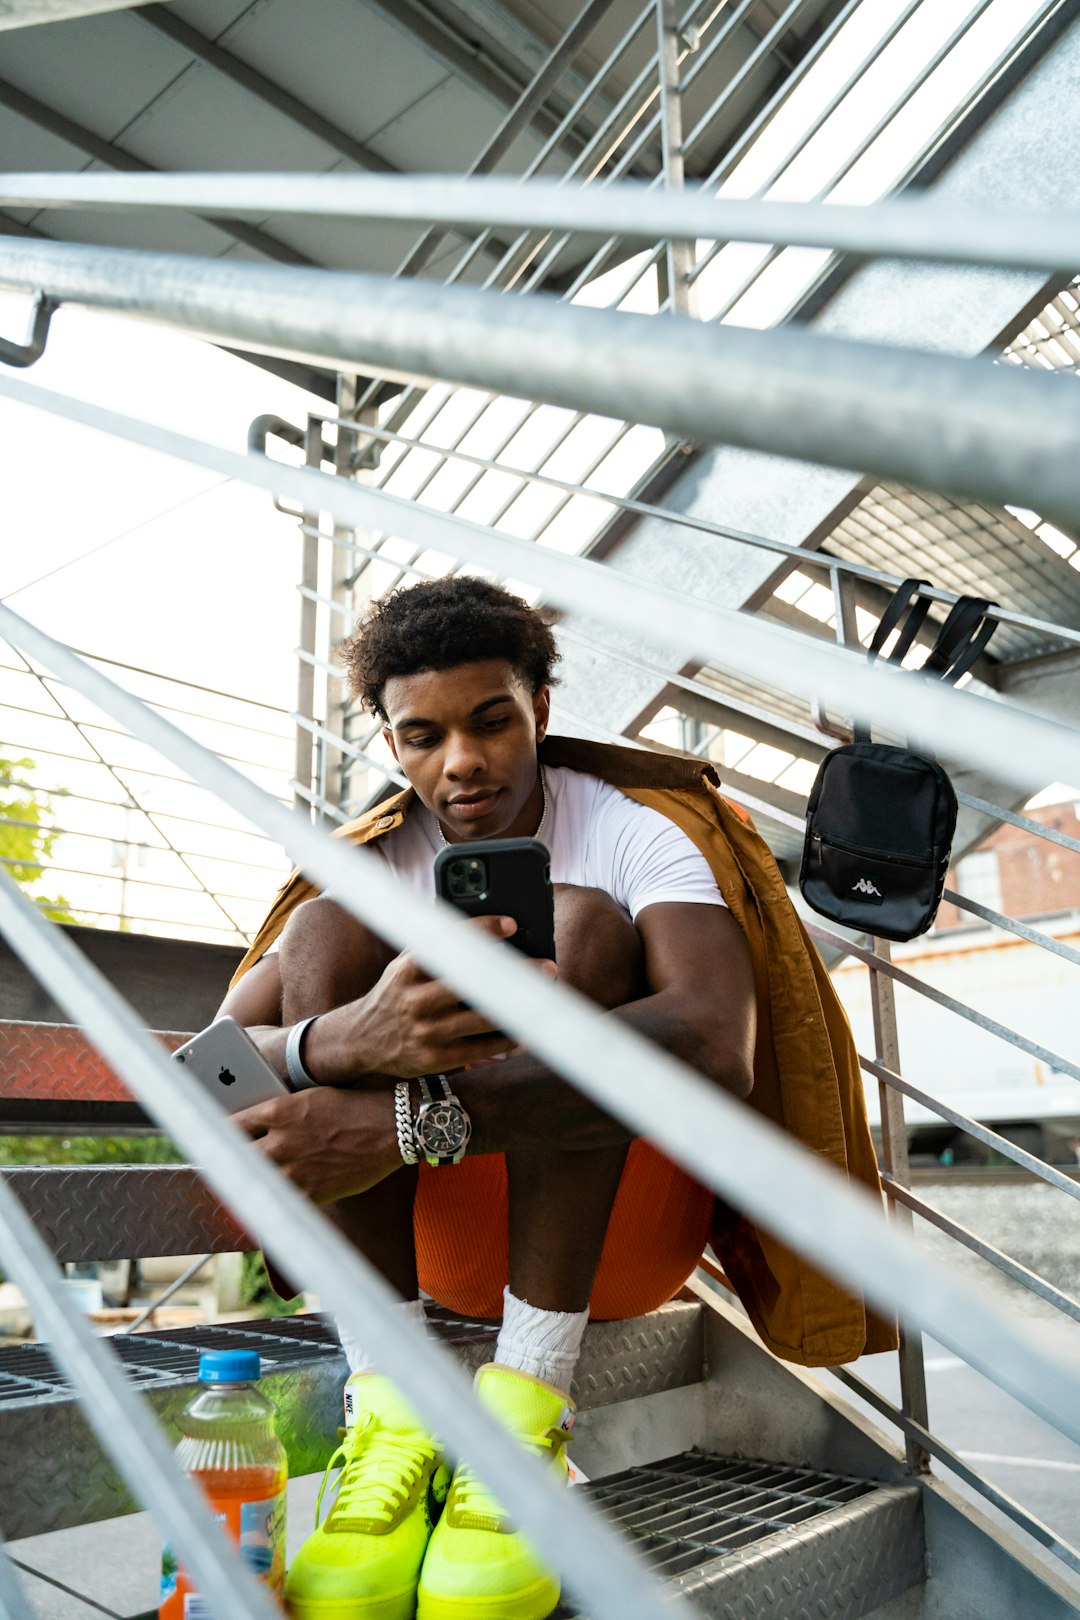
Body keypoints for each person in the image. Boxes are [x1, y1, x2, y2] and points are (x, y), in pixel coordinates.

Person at [220, 576, 894, 1620]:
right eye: (423, 736)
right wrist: (345, 1038)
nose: (464, 762)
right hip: (421, 1243)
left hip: (614, 1235)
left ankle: (525, 1417)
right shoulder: (376, 858)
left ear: (541, 705)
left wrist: (408, 1118)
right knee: (325, 933)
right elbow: (218, 1059)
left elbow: (717, 1044)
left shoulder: (637, 832)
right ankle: (390, 1413)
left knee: (583, 921)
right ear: (390, 745)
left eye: (492, 721)